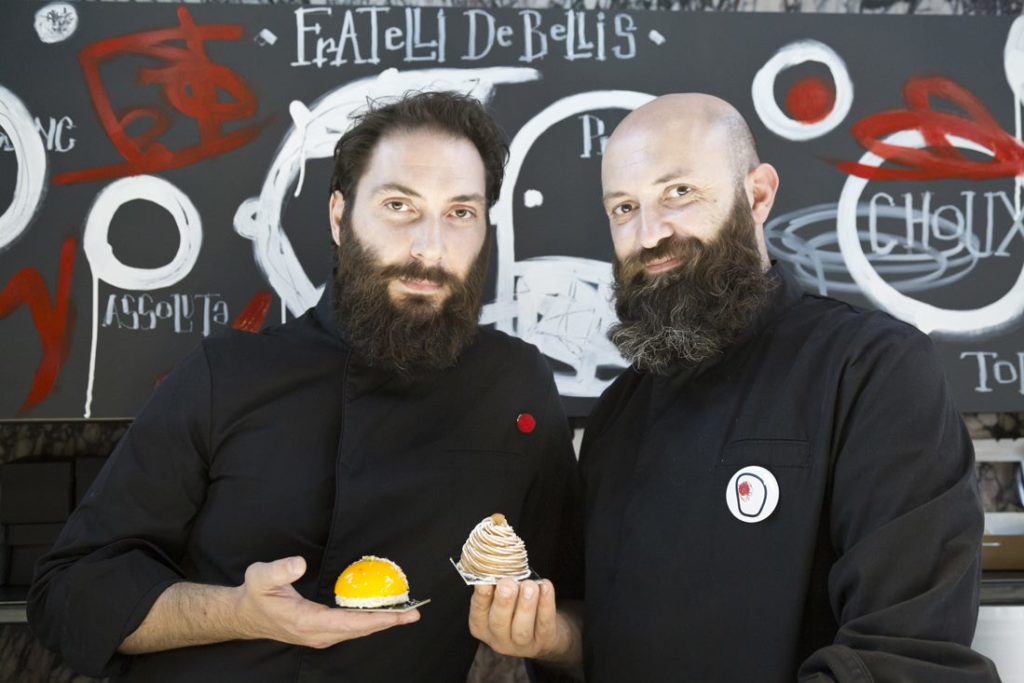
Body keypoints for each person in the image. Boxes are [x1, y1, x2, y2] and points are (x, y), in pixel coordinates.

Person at [29, 91, 580, 682]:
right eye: (399, 205)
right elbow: (68, 593)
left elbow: (578, 611)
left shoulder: (515, 386)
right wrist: (236, 613)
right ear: (340, 218)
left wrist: (546, 637)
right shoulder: (226, 375)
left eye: (460, 213)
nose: (431, 248)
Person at [470, 93, 999, 682]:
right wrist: (551, 640)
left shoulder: (872, 369)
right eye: (624, 208)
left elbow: (904, 655)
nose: (649, 235)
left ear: (759, 194)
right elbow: (612, 643)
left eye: (679, 193)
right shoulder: (619, 415)